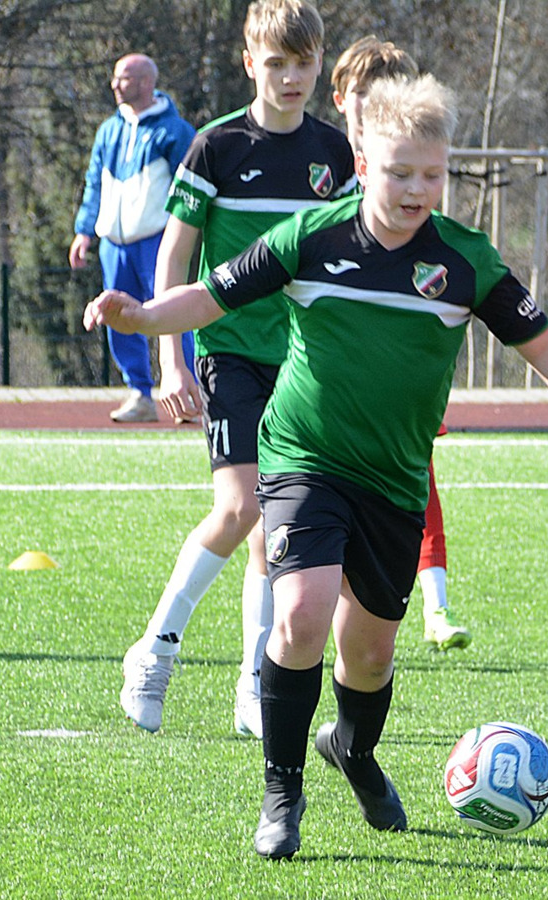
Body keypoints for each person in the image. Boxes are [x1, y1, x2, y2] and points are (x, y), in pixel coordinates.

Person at [84, 73, 548, 861]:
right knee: (300, 614)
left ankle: (351, 749)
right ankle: (282, 791)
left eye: (432, 174)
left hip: (393, 480)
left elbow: (544, 346)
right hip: (304, 457)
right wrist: (147, 317)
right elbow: (214, 296)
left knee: (370, 653)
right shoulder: (310, 236)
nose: (416, 189)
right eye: (399, 172)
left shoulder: (464, 259)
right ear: (362, 164)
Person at [116, 0, 356, 739]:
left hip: (304, 366)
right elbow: (175, 255)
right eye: (275, 63)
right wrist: (170, 360)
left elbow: (349, 257)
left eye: (303, 62)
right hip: (229, 354)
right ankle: (155, 650)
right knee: (240, 507)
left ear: (319, 63)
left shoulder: (336, 155)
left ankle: (253, 686)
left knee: (272, 528)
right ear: (250, 63)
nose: (290, 77)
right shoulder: (216, 147)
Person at [329, 36, 470, 651]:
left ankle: (435, 604)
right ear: (343, 100)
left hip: (397, 381)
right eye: (364, 94)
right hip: (322, 388)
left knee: (418, 475)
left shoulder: (419, 198)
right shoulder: (322, 179)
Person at [70, 53, 196, 423]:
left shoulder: (175, 131)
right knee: (117, 317)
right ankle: (140, 394)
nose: (114, 84)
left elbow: (191, 188)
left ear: (145, 82)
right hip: (114, 244)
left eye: (123, 77)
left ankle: (189, 395)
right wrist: (84, 231)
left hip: (158, 241)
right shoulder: (108, 130)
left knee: (173, 313)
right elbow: (94, 182)